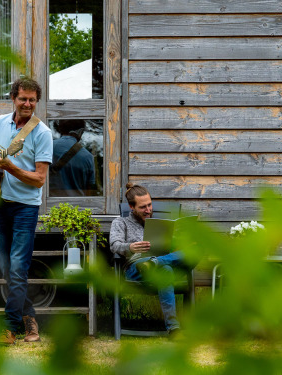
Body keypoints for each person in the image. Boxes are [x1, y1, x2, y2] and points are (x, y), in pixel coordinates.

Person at [0, 77, 53, 345]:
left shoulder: (42, 133)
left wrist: (11, 168)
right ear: (13, 98)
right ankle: (30, 318)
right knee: (7, 268)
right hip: (0, 204)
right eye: (23, 98)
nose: (27, 104)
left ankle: (9, 329)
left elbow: (39, 179)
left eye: (32, 100)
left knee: (17, 267)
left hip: (26, 208)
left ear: (37, 102)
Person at [109, 183, 189, 335]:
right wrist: (130, 247)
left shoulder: (160, 224)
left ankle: (155, 262)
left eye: (149, 205)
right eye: (143, 207)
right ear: (131, 207)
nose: (148, 210)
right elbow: (114, 245)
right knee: (166, 270)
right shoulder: (120, 222)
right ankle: (173, 328)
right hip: (136, 267)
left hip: (162, 260)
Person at [49, 119, 96, 197]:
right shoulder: (88, 156)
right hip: (77, 203)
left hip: (50, 202)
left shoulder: (47, 147)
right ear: (80, 131)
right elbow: (89, 190)